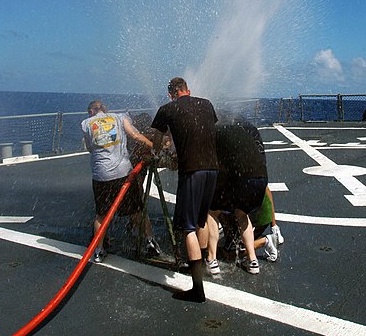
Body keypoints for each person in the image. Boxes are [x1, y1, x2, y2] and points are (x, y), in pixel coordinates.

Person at [151, 77, 219, 303]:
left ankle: (197, 290)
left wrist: (156, 154)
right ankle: (200, 265)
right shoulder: (207, 104)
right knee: (200, 221)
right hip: (212, 169)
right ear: (188, 90)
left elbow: (158, 139)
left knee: (188, 228)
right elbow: (203, 130)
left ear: (171, 94)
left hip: (192, 171)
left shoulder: (166, 109)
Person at [82, 100, 161, 263]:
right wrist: (154, 146)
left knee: (101, 215)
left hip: (101, 175)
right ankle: (150, 241)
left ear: (90, 112)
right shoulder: (119, 117)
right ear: (106, 109)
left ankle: (98, 250)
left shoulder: (86, 123)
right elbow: (135, 135)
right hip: (123, 173)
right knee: (137, 210)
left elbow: (90, 148)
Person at [206, 120, 277, 275]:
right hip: (260, 179)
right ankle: (253, 261)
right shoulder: (239, 131)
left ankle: (211, 260)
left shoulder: (213, 133)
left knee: (212, 211)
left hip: (241, 180)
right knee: (241, 213)